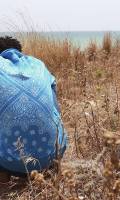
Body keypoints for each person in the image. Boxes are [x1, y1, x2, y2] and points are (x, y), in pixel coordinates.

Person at [0, 36, 67, 182]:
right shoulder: (38, 65)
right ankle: (52, 174)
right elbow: (57, 109)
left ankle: (3, 181)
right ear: (19, 52)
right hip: (51, 155)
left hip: (10, 162)